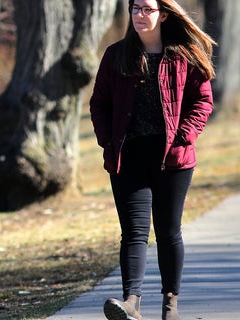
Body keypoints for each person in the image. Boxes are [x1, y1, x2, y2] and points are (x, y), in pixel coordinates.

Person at [89, 0, 215, 319]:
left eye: (147, 9)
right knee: (133, 232)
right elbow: (98, 103)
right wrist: (107, 140)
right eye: (135, 9)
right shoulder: (116, 55)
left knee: (168, 230)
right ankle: (131, 301)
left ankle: (170, 302)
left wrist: (182, 138)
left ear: (164, 14)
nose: (140, 15)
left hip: (172, 158)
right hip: (128, 158)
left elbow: (203, 102)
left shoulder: (185, 54)